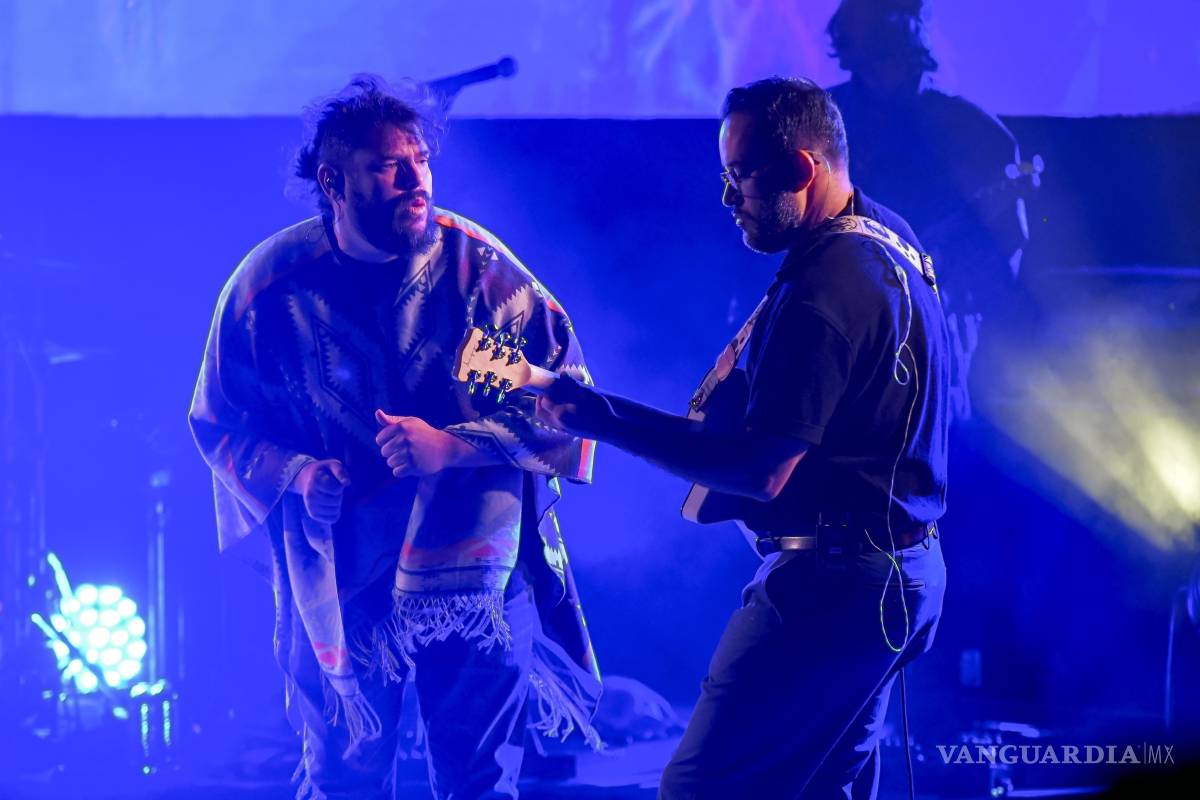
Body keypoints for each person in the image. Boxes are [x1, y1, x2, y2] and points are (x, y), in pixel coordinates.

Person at [188, 75, 601, 800]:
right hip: (344, 575)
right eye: (388, 165)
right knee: (345, 778)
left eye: (421, 160)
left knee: (478, 781)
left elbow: (563, 399)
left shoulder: (476, 279)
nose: (416, 180)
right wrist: (297, 475)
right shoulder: (270, 291)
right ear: (332, 180)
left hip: (474, 576)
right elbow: (222, 423)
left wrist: (455, 447)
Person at [536, 77, 949, 798]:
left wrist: (599, 417)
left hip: (833, 590)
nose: (729, 202)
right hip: (904, 579)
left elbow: (761, 473)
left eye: (742, 179)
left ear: (799, 169)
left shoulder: (823, 292)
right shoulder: (894, 241)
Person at [826, 0, 1030, 421]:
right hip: (836, 322)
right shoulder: (823, 121)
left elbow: (1008, 246)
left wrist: (946, 286)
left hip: (938, 322)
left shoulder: (972, 130)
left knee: (937, 432)